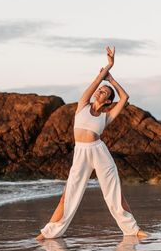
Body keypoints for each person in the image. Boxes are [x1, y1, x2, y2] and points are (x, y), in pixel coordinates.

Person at [36, 46, 148, 240]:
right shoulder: (82, 104)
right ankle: (47, 233)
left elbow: (125, 98)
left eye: (104, 92)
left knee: (114, 194)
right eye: (100, 90)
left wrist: (111, 80)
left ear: (107, 101)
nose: (99, 92)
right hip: (81, 153)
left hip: (99, 152)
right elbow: (96, 80)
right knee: (68, 196)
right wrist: (108, 66)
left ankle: (133, 230)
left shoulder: (106, 116)